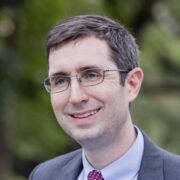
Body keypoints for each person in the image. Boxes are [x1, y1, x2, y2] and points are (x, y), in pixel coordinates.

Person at [28, 14, 180, 180]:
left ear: (131, 84)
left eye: (91, 75)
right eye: (60, 80)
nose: (75, 97)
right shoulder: (44, 175)